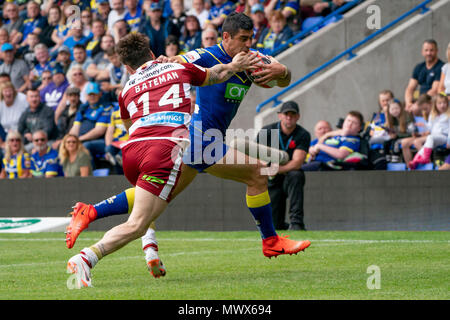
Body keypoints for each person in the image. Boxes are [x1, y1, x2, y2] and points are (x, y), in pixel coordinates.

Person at [65, 14, 309, 283]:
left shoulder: (251, 58)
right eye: (242, 39)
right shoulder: (206, 56)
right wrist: (165, 62)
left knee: (157, 199)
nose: (248, 44)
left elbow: (282, 76)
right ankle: (270, 240)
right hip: (200, 139)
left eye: (251, 38)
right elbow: (177, 62)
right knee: (257, 174)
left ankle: (92, 212)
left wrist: (283, 72)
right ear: (225, 38)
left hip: (194, 142)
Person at [257, 101, 310, 231]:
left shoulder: (302, 134)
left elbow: (297, 162)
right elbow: (257, 157)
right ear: (280, 115)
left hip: (288, 174)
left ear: (298, 117)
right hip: (271, 178)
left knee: (296, 175)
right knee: (275, 225)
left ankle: (297, 223)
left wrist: (276, 169)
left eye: (293, 114)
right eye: (286, 114)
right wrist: (267, 170)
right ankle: (283, 225)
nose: (289, 117)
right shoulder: (267, 131)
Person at [408, 93, 449, 169]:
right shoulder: (433, 115)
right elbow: (430, 127)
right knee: (425, 146)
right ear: (435, 105)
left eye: (444, 103)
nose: (442, 105)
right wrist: (424, 126)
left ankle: (425, 158)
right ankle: (415, 161)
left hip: (444, 137)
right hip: (436, 137)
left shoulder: (448, 114)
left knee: (429, 138)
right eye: (440, 103)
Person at [404, 39, 444, 112]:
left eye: (431, 50)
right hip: (420, 103)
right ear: (422, 52)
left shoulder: (441, 67)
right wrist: (408, 103)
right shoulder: (419, 67)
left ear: (437, 51)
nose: (428, 53)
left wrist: (417, 104)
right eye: (426, 50)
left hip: (433, 102)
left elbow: (434, 90)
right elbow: (410, 88)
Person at [18, 88, 57, 152]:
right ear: (27, 99)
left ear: (40, 98)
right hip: (30, 143)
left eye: (36, 96)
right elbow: (20, 129)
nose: (34, 99)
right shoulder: (25, 113)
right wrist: (26, 133)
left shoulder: (48, 111)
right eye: (31, 97)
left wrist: (33, 136)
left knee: (24, 151)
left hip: (46, 142)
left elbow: (47, 130)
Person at [400, 94, 433, 166]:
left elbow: (433, 129)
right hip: (423, 135)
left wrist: (426, 131)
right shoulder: (422, 113)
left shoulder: (434, 113)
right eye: (423, 109)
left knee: (416, 142)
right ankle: (409, 167)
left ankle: (428, 164)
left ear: (430, 103)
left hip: (431, 135)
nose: (424, 111)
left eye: (425, 109)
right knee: (404, 142)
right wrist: (420, 133)